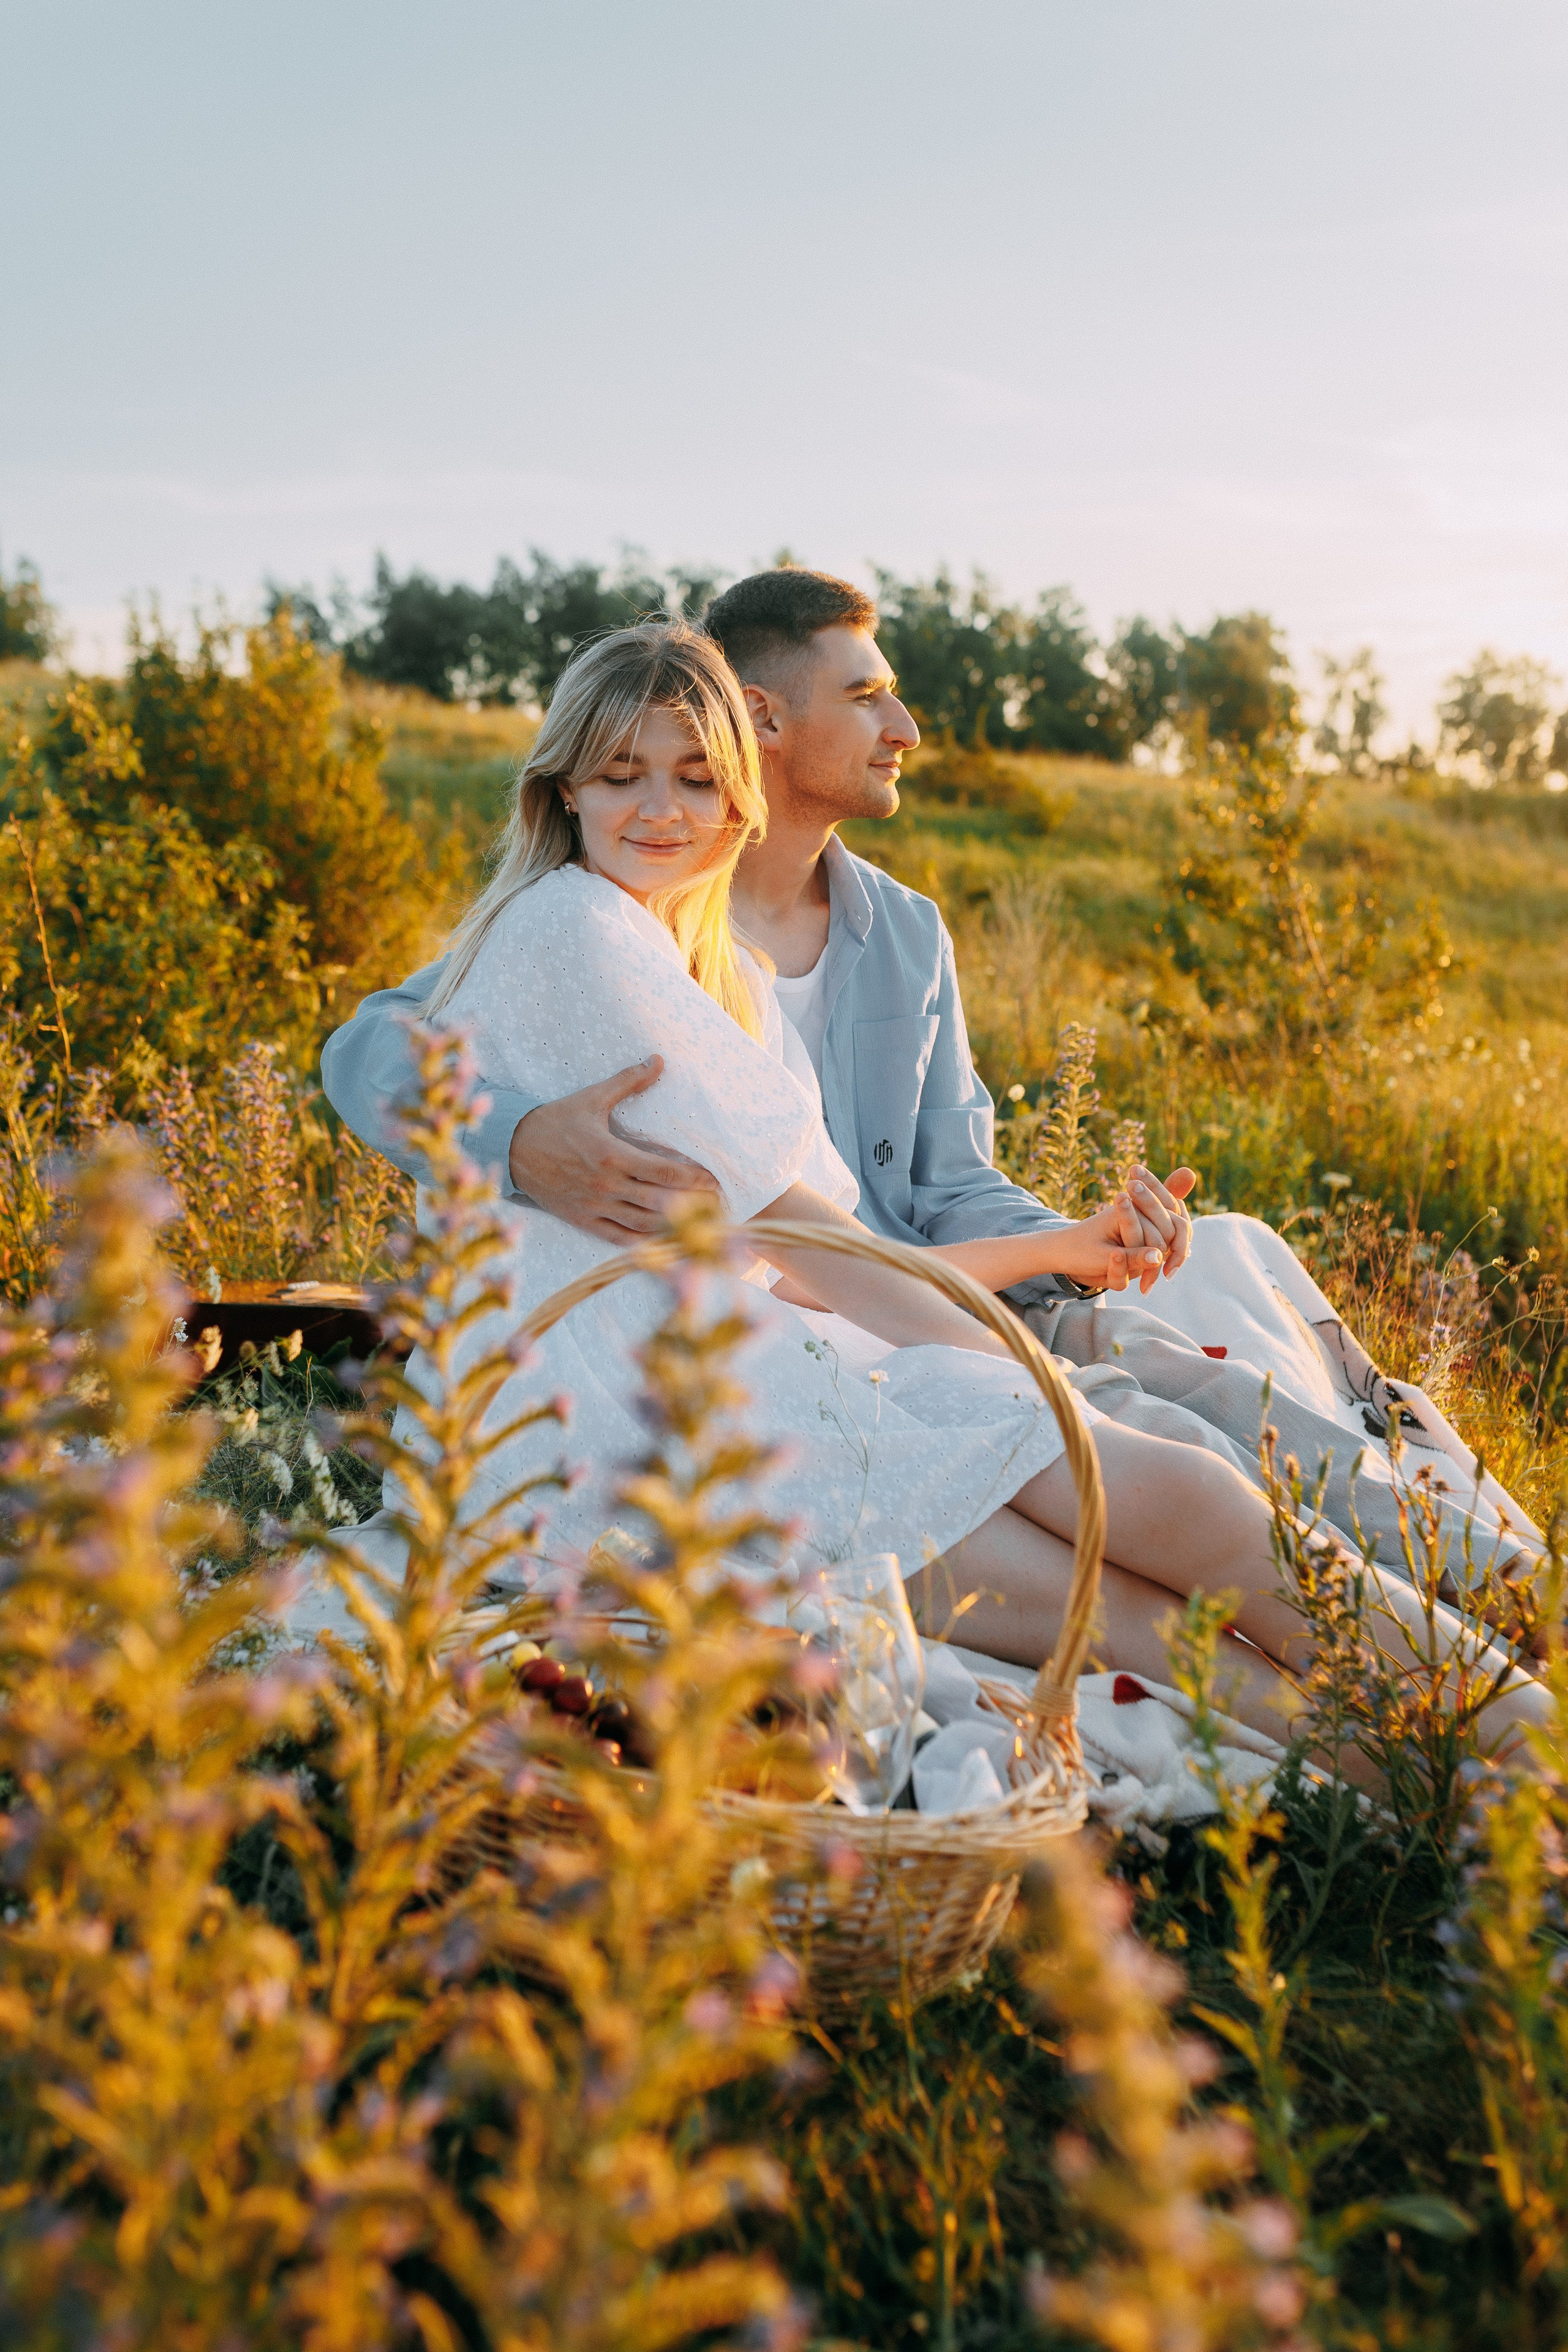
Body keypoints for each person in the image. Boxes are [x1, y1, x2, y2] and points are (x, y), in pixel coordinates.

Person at [377, 618, 1548, 1761]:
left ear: (739, 797)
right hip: (648, 1431)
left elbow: (819, 1248)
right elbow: (814, 1243)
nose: (659, 808)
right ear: (563, 788)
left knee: (1157, 1536)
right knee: (1152, 1534)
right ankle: (1500, 1759)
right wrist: (1023, 1371)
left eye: (693, 778)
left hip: (750, 1367)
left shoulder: (693, 958)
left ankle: (1476, 1763)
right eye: (621, 774)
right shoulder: (578, 932)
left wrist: (1049, 1267)